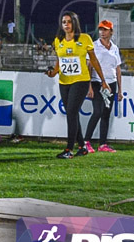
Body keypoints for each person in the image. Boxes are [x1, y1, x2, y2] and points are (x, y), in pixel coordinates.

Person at [45, 11, 110, 159]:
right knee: (71, 113)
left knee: (72, 113)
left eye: (69, 21)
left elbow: (93, 60)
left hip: (80, 81)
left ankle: (69, 149)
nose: (66, 25)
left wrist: (103, 80)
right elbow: (59, 61)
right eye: (63, 22)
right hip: (64, 81)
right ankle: (82, 147)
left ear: (74, 23)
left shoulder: (85, 38)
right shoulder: (58, 40)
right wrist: (53, 73)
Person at [85, 20, 122, 153]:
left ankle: (102, 144)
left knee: (106, 114)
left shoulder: (115, 48)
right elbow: (88, 66)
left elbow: (117, 69)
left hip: (111, 84)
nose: (102, 32)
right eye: (100, 29)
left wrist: (120, 90)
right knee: (97, 112)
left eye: (105, 30)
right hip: (97, 82)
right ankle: (86, 142)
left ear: (111, 31)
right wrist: (89, 86)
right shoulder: (93, 46)